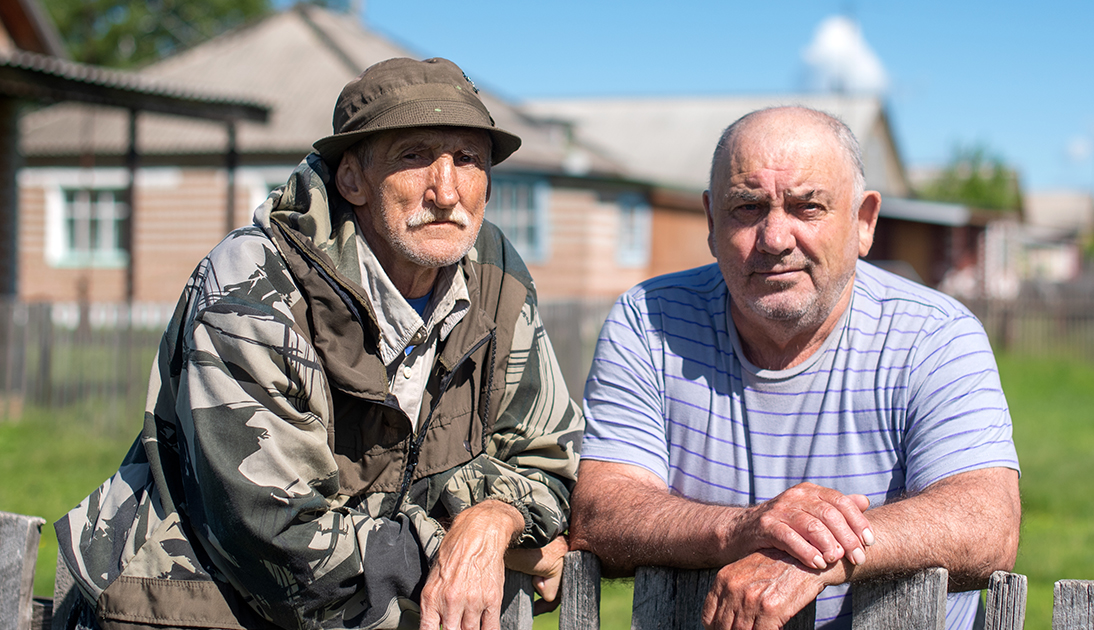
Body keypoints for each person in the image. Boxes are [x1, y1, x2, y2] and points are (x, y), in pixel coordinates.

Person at [56, 57, 583, 630]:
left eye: (468, 159)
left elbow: (551, 459)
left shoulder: (495, 273)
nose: (446, 191)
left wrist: (494, 520)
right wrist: (460, 550)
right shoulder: (250, 288)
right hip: (192, 606)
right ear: (351, 179)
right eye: (414, 156)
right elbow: (281, 544)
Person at [571, 106, 1021, 630]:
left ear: (863, 223)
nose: (775, 238)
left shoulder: (935, 334)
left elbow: (987, 523)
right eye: (747, 207)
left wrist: (810, 553)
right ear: (712, 222)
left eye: (808, 207)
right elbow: (602, 512)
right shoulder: (649, 319)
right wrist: (745, 529)